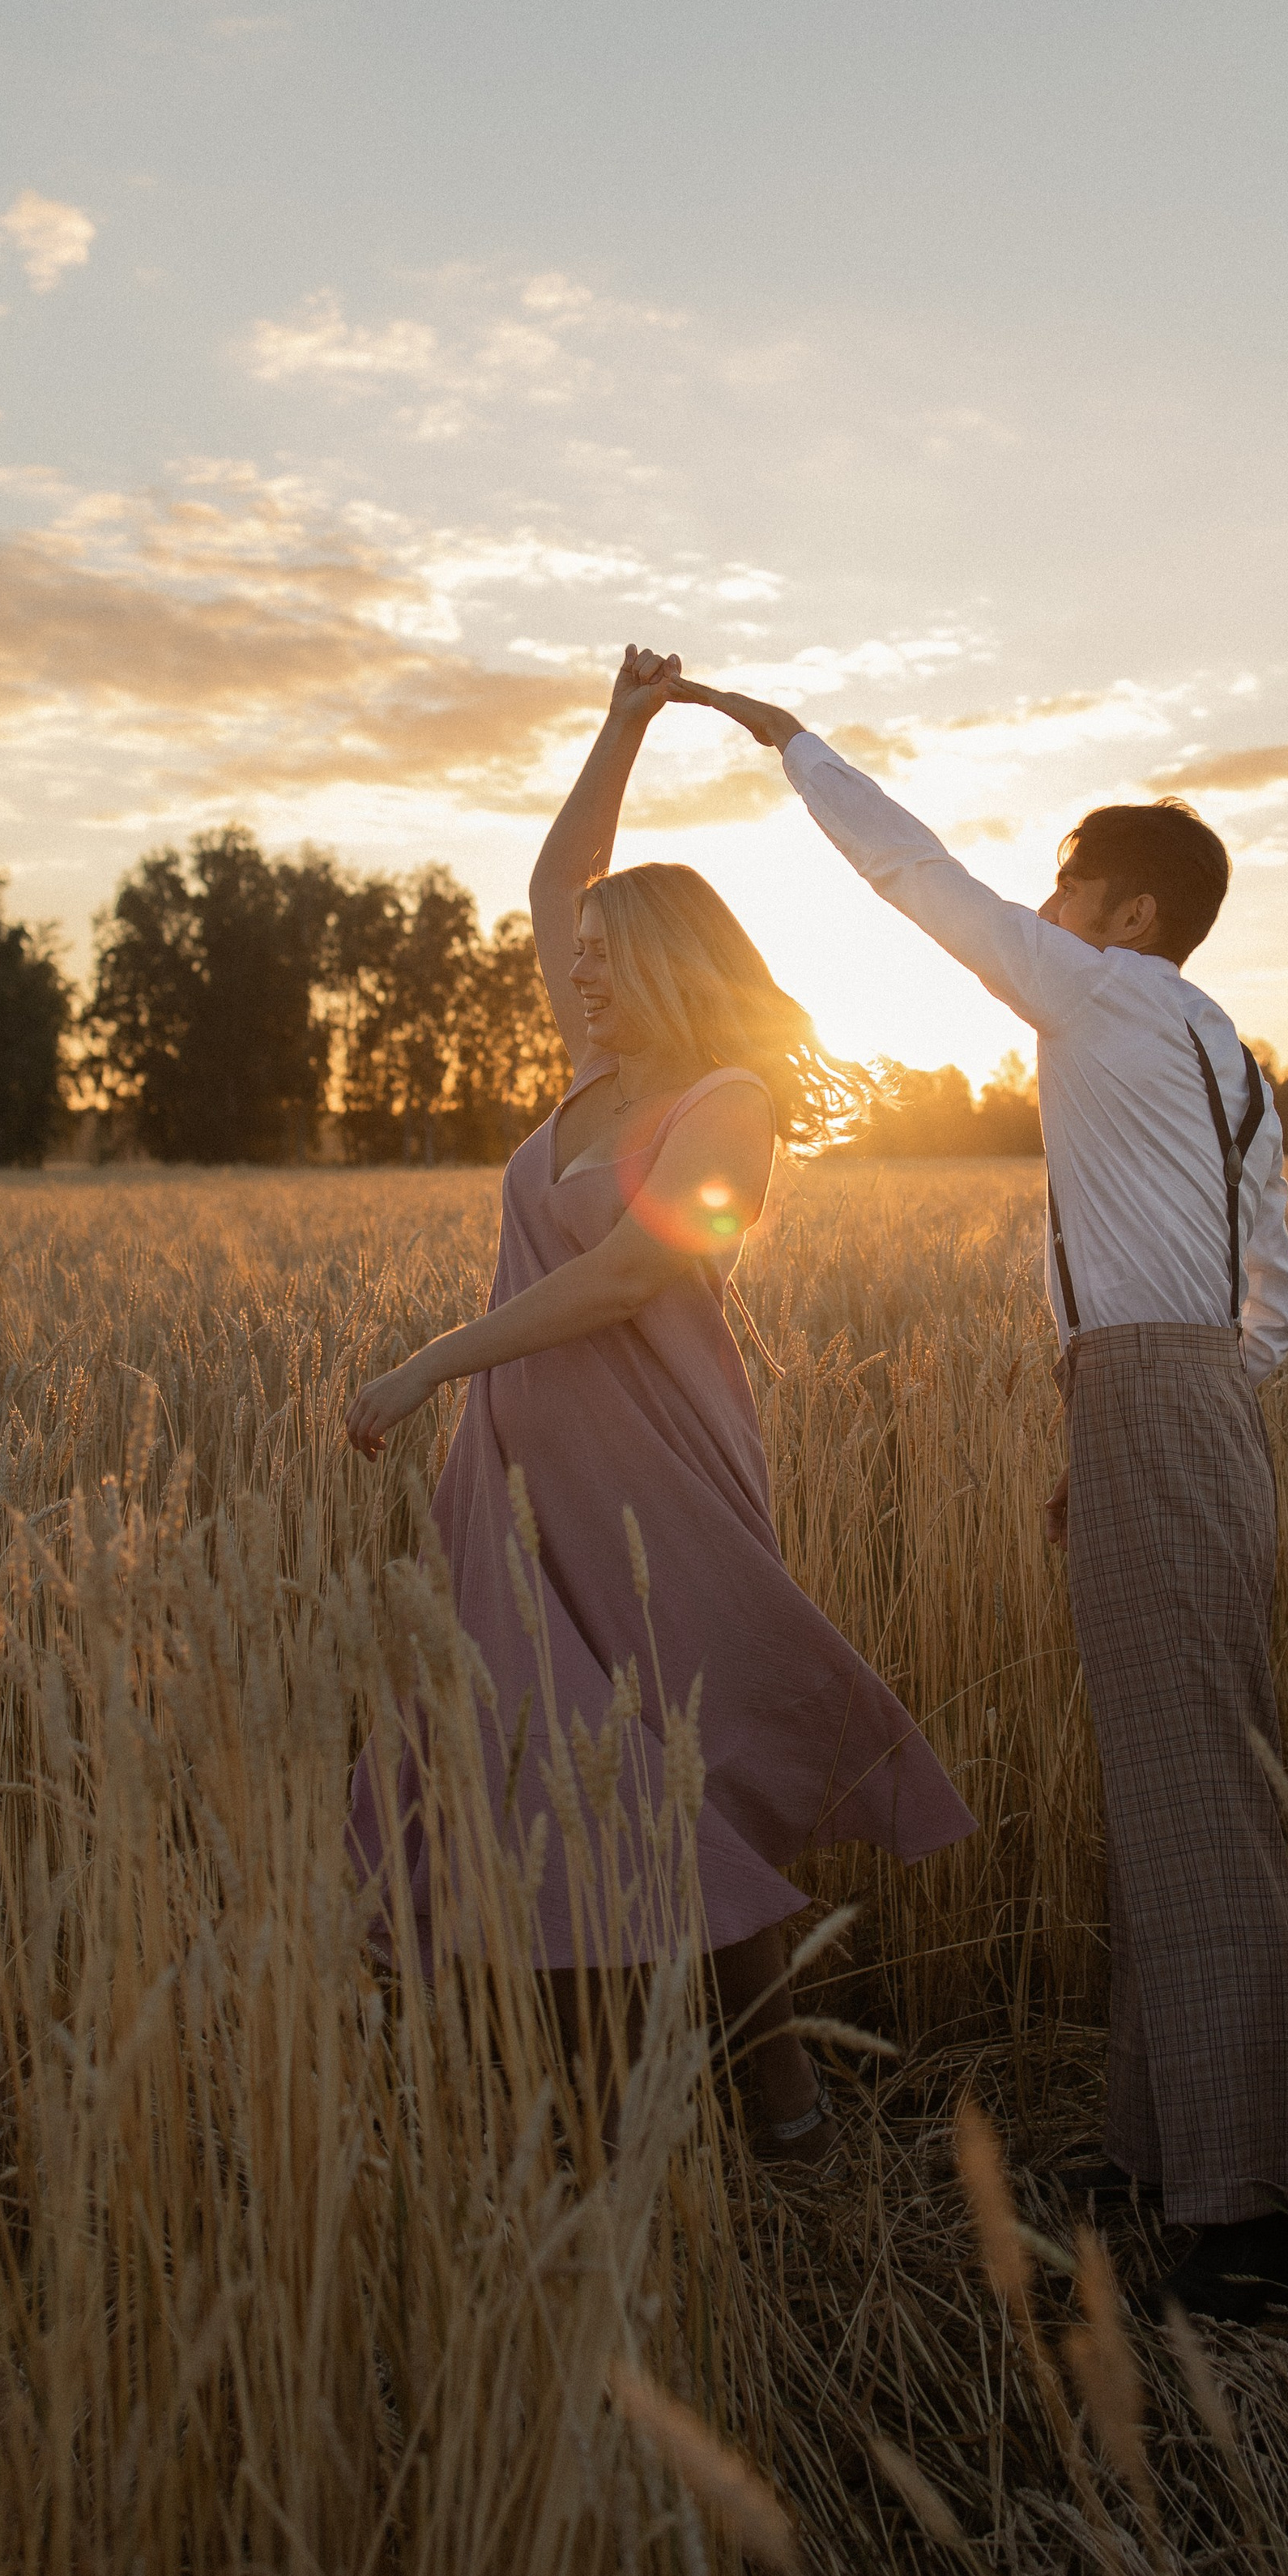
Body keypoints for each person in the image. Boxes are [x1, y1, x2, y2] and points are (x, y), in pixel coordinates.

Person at [672, 676, 1288, 2318]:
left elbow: (914, 881)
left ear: (1126, 911)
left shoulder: (1101, 994)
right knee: (1168, 1780)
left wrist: (787, 745)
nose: (1036, 909)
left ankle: (1249, 2220)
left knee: (1190, 1801)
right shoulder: (1221, 1050)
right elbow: (1274, 1294)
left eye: (1062, 885)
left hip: (1154, 1408)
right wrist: (1148, 1415)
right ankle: (1156, 2146)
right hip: (1180, 1414)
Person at [343, 647, 974, 2164]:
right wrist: (620, 728)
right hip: (516, 1479)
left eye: (611, 959)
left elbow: (633, 1275)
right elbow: (562, 877)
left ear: (675, 965)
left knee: (664, 1776)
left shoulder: (725, 1104)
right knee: (510, 1749)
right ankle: (558, 2094)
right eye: (579, 962)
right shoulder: (589, 1077)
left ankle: (783, 2112)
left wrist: (436, 1360)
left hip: (653, 1484)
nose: (580, 972)